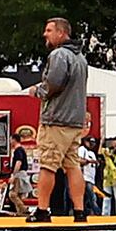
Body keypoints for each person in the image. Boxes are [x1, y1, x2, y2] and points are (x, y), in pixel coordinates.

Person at [29, 19, 92, 220]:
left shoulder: (58, 55)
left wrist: (37, 91)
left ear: (61, 33)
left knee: (48, 165)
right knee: (72, 165)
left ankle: (42, 210)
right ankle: (80, 211)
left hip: (57, 120)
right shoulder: (80, 58)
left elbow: (53, 83)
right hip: (74, 121)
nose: (45, 34)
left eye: (49, 30)